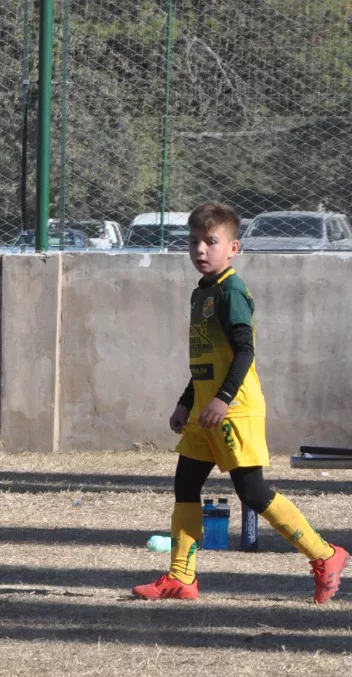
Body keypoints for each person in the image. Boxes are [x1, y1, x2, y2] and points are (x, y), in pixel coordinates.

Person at [133, 201, 347, 601]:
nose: (200, 249)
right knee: (186, 483)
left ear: (234, 248)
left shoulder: (231, 290)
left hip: (234, 409)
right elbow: (206, 359)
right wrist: (186, 402)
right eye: (194, 241)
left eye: (211, 241)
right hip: (205, 408)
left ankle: (326, 554)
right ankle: (181, 578)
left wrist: (224, 399)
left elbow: (244, 352)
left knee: (253, 493)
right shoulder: (203, 292)